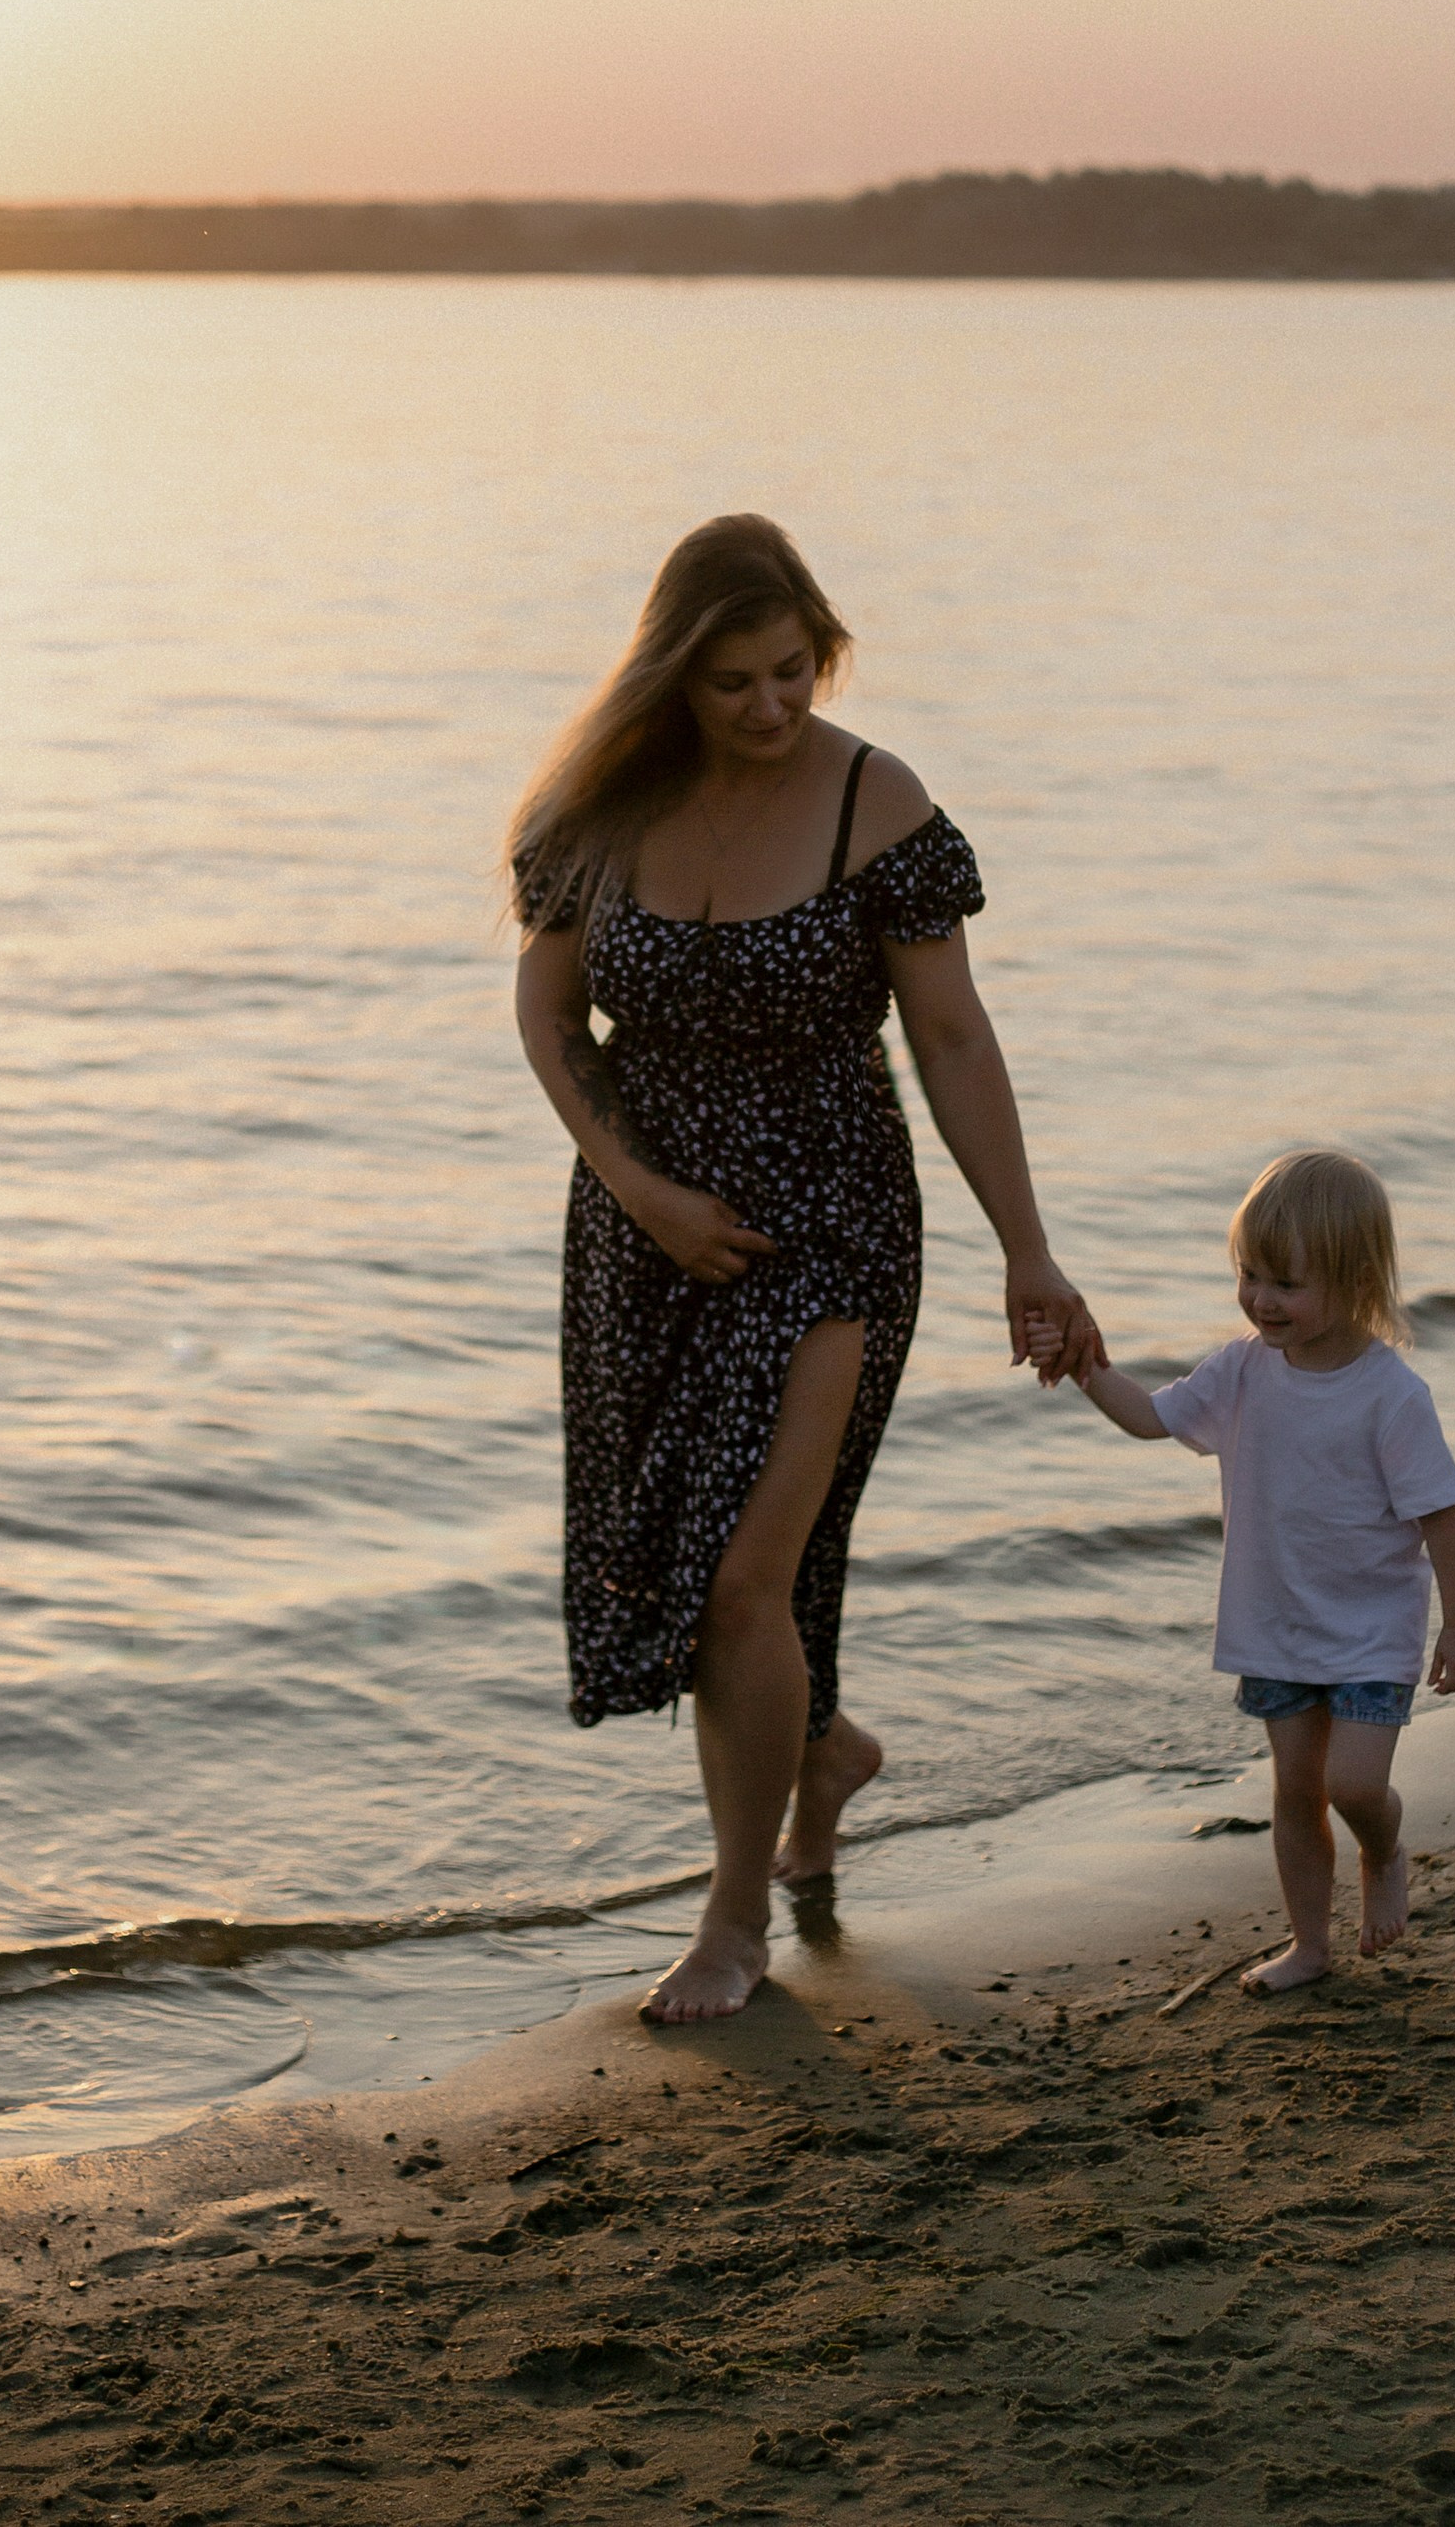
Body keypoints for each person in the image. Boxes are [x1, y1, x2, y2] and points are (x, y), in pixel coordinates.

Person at [511, 515, 1101, 2023]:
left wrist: (1026, 1251)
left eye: (792, 672)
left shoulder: (873, 799)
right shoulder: (599, 805)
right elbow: (547, 1014)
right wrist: (639, 1192)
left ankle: (731, 1923)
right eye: (731, 684)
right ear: (670, 680)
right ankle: (822, 1749)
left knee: (739, 1578)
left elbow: (951, 1037)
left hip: (832, 1227)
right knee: (713, 1573)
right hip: (645, 1242)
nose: (770, 708)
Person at [1041, 1146, 1455, 1993]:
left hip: (1369, 1629)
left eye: (1285, 1283)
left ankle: (1384, 1848)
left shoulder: (1392, 1395)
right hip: (1275, 1625)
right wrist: (1089, 1365)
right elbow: (1149, 1419)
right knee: (1295, 1790)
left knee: (1353, 1785)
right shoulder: (1240, 1369)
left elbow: (1442, 1513)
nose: (1259, 1299)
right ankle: (1309, 1946)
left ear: (1354, 1282)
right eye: (1250, 1274)